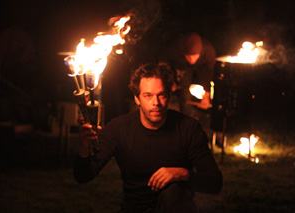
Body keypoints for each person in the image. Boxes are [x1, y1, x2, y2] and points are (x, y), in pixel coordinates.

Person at [73, 62, 222, 212]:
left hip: (174, 207)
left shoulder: (188, 128)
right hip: (135, 208)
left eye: (161, 95)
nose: (155, 103)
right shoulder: (119, 128)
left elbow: (215, 182)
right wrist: (84, 147)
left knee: (173, 192)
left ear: (169, 96)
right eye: (148, 95)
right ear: (137, 98)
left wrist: (183, 174)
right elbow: (83, 175)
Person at [160, 32, 216, 118]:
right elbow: (164, 65)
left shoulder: (208, 50)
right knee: (184, 91)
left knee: (204, 88)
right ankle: (185, 115)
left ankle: (198, 116)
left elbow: (208, 72)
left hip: (201, 67)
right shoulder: (173, 50)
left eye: (195, 56)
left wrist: (207, 94)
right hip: (181, 66)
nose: (192, 60)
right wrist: (169, 81)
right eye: (189, 57)